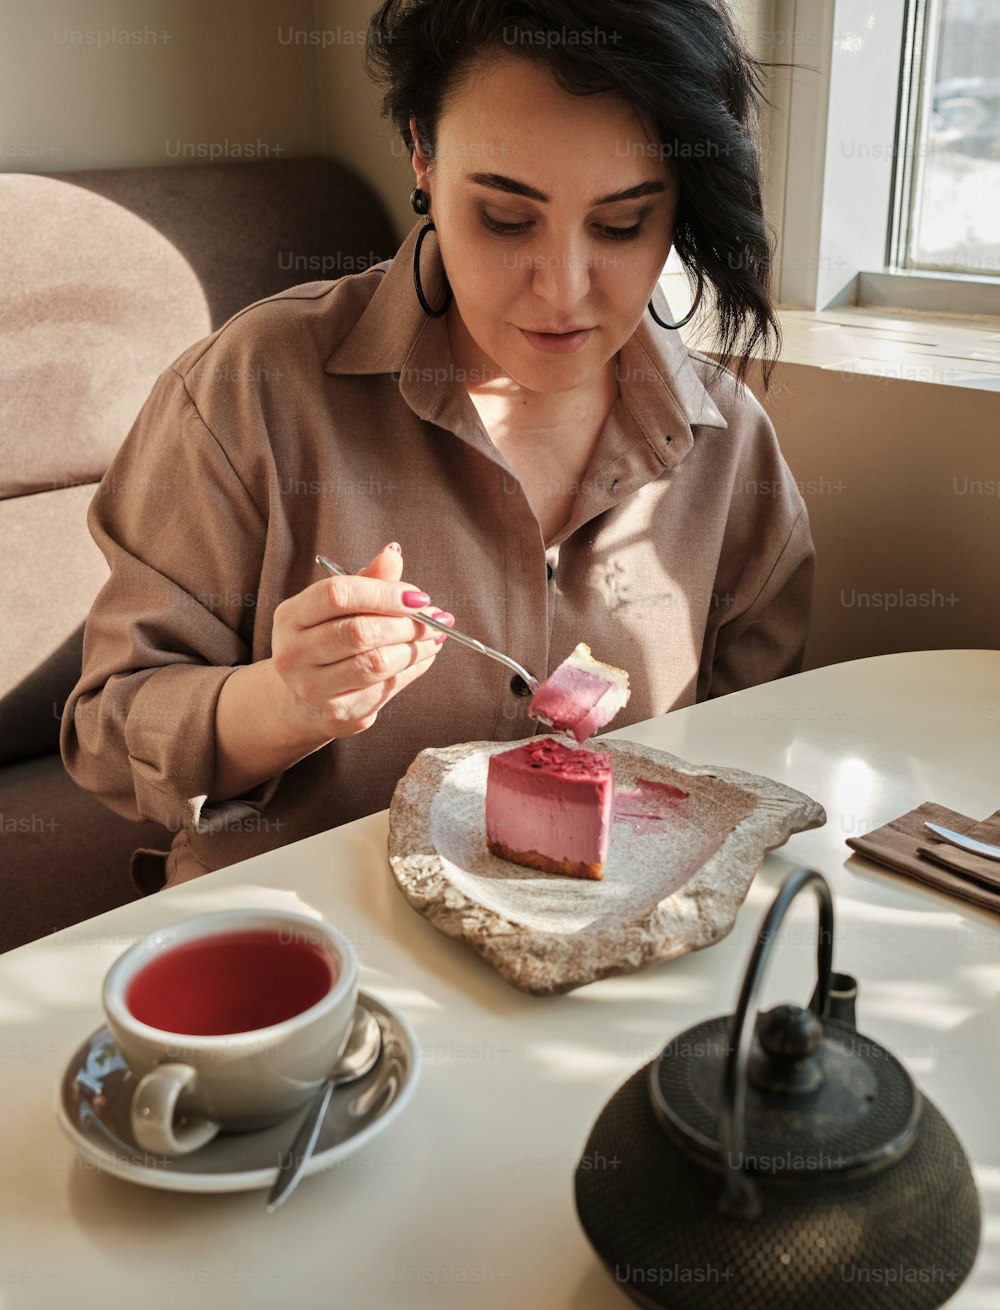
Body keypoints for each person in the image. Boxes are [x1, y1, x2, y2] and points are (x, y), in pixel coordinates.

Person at [61, 0, 815, 895]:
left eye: (621, 226)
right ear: (422, 153)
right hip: (312, 951)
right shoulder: (254, 388)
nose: (563, 291)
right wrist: (285, 701)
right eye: (504, 217)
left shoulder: (728, 449)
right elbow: (106, 735)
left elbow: (744, 759)